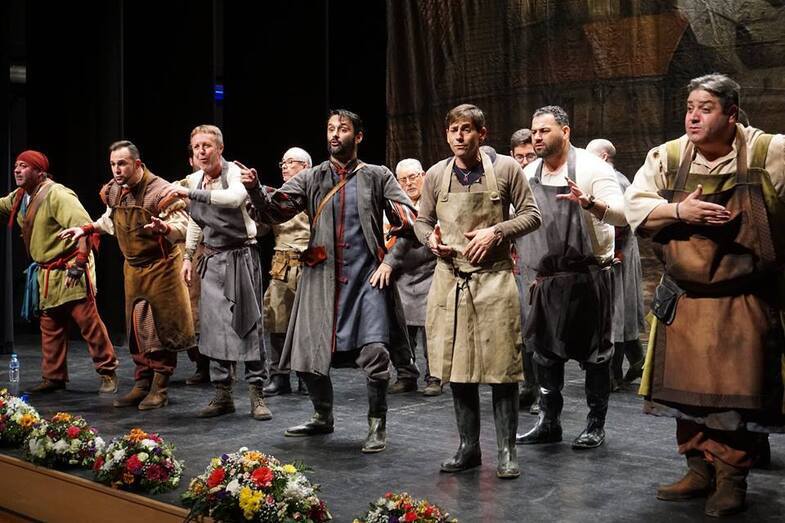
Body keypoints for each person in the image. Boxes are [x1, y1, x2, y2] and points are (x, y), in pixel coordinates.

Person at [625, 73, 785, 517]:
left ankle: (731, 478)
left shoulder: (768, 152)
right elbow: (633, 205)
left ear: (732, 114)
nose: (693, 117)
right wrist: (680, 210)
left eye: (705, 109)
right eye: (690, 108)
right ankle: (698, 470)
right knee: (686, 395)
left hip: (744, 297)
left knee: (735, 398)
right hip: (687, 299)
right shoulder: (669, 156)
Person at [244, 109, 416, 453]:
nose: (335, 134)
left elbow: (409, 221)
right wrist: (255, 190)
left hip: (367, 279)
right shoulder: (312, 177)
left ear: (359, 136)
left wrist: (390, 262)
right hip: (321, 279)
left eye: (343, 129)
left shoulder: (378, 176)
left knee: (375, 352)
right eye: (330, 128)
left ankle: (377, 424)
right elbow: (277, 209)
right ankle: (322, 416)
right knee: (307, 354)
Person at [415, 104, 541, 479]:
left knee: (502, 369)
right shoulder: (436, 175)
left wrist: (496, 231)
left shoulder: (506, 169)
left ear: (481, 134)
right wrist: (430, 240)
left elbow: (532, 215)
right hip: (450, 280)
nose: (459, 136)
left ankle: (506, 451)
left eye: (467, 129)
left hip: (494, 279)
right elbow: (422, 221)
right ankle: (468, 448)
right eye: (453, 129)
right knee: (458, 369)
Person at [516, 106, 626, 450]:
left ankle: (595, 425)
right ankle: (549, 423)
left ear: (565, 131)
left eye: (545, 130)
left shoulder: (593, 168)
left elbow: (622, 215)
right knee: (544, 356)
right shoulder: (529, 173)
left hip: (588, 277)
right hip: (547, 280)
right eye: (534, 131)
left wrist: (590, 203)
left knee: (595, 356)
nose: (537, 137)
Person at [60, 141, 195, 410]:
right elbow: (111, 220)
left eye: (122, 163)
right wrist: (87, 229)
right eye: (113, 164)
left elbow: (183, 224)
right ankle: (142, 383)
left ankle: (159, 388)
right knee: (137, 329)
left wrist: (165, 228)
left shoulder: (160, 191)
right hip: (133, 268)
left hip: (161, 268)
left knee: (158, 330)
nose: (116, 169)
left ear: (137, 164)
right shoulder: (115, 190)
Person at [165, 124, 271, 421]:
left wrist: (189, 192)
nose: (201, 151)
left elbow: (234, 199)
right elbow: (197, 220)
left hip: (240, 256)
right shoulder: (196, 179)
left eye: (207, 145)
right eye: (196, 146)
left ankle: (257, 393)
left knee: (247, 324)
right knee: (213, 330)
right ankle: (223, 394)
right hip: (211, 259)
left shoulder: (233, 172)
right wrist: (188, 256)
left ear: (219, 148)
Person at [0, 150, 118, 393]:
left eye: (24, 166)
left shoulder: (58, 195)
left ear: (40, 172)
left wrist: (79, 264)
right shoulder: (21, 196)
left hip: (69, 267)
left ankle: (108, 372)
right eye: (16, 166)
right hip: (47, 273)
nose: (17, 170)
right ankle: (53, 377)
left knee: (88, 323)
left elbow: (84, 228)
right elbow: (2, 205)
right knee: (50, 325)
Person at [586, 138, 646, 391]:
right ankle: (637, 360)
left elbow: (620, 221)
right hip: (611, 255)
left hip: (616, 257)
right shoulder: (607, 178)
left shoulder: (614, 180)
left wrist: (612, 251)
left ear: (602, 157)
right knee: (616, 313)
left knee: (616, 314)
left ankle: (613, 375)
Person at [385, 158, 441, 396]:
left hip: (430, 273)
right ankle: (406, 375)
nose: (408, 183)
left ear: (424, 176)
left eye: (413, 177)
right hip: (402, 276)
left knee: (433, 332)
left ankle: (435, 377)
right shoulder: (393, 207)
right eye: (402, 180)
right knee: (401, 332)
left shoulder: (434, 203)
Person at [262, 147, 312, 396]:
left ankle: (306, 376)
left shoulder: (314, 195)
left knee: (306, 324)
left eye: (291, 162)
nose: (285, 166)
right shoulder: (275, 198)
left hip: (308, 264)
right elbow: (261, 228)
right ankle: (279, 376)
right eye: (283, 162)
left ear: (306, 167)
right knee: (276, 321)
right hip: (281, 265)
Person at [509, 128, 540, 413]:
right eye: (519, 156)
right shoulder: (509, 182)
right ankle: (529, 386)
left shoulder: (542, 181)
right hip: (516, 265)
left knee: (539, 329)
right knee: (522, 329)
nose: (525, 161)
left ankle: (543, 392)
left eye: (529, 155)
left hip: (540, 265)